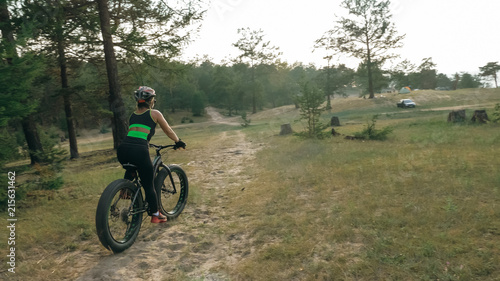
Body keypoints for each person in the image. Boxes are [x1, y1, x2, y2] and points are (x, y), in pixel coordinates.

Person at [117, 86, 186, 223]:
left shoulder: (133, 115)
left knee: (132, 168)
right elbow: (168, 130)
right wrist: (178, 141)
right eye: (153, 99)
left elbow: (135, 134)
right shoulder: (154, 114)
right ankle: (156, 214)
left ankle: (125, 189)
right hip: (139, 150)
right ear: (150, 101)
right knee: (149, 185)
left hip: (123, 150)